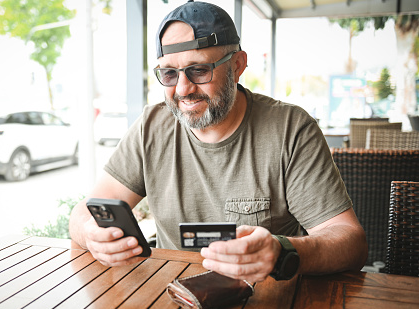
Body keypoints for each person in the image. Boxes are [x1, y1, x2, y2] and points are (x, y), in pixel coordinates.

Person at [69, 0, 368, 283]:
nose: (183, 89)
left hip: (265, 301)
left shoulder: (290, 129)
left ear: (237, 65)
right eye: (170, 74)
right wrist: (92, 234)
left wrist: (282, 252)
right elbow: (86, 211)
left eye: (199, 70)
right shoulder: (151, 127)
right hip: (169, 298)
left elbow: (350, 241)